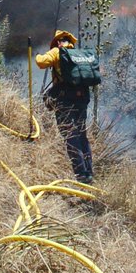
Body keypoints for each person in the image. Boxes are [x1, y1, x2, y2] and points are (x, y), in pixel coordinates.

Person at [36, 30, 94, 184]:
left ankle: (81, 173)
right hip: (83, 97)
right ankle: (89, 172)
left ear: (57, 42)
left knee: (70, 134)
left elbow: (41, 62)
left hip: (65, 98)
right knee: (81, 134)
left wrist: (37, 55)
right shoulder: (79, 54)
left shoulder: (57, 51)